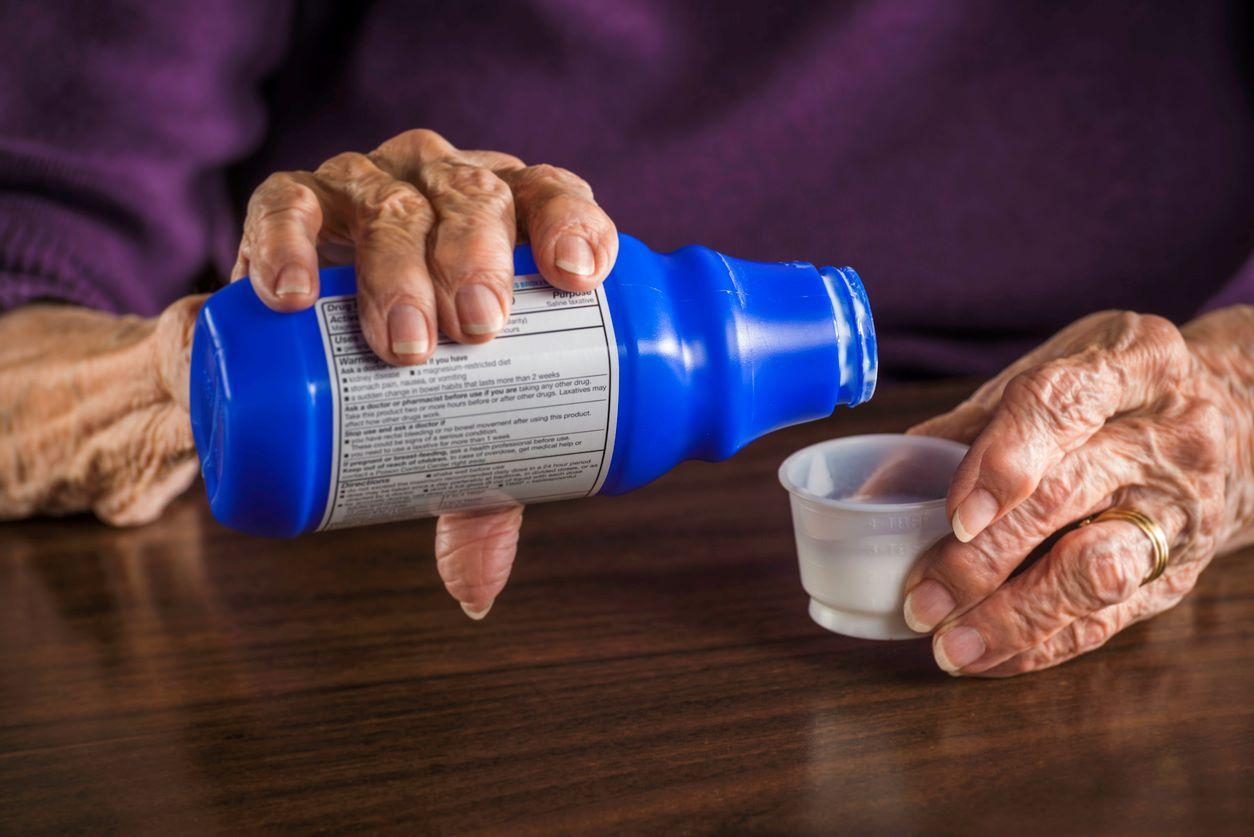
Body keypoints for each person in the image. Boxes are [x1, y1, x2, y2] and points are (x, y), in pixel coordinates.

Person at [1, 2, 1250, 677]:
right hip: (343, 617)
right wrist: (173, 376)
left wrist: (1230, 403)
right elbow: (31, 260)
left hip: (1147, 498)